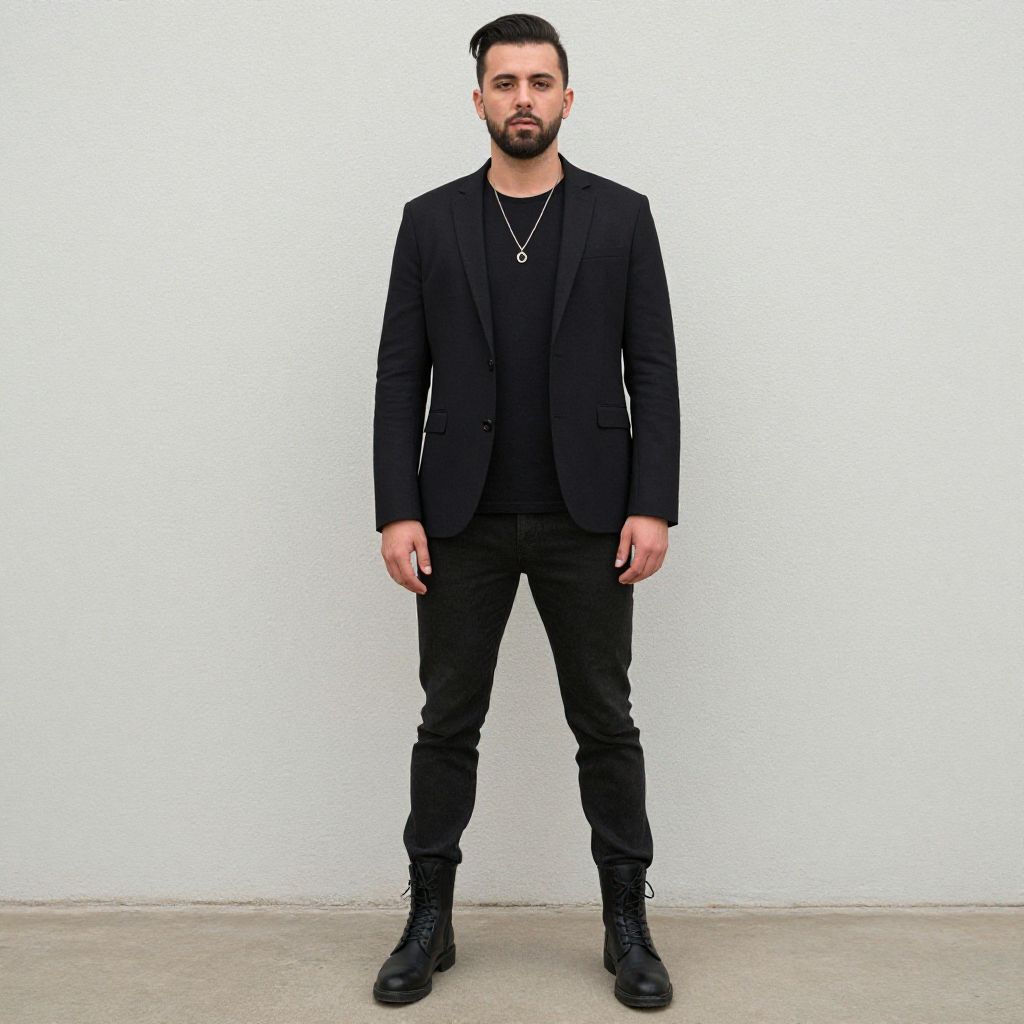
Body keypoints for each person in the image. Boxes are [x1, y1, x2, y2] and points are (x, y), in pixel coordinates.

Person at [371, 13, 680, 1009]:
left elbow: (653, 368)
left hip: (587, 519)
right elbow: (399, 374)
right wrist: (397, 509)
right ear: (478, 100)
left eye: (539, 82)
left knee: (606, 722)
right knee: (446, 722)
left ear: (566, 98)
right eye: (504, 83)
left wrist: (652, 504)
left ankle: (627, 925)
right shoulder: (430, 221)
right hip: (456, 520)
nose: (522, 99)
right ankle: (429, 921)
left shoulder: (621, 217)